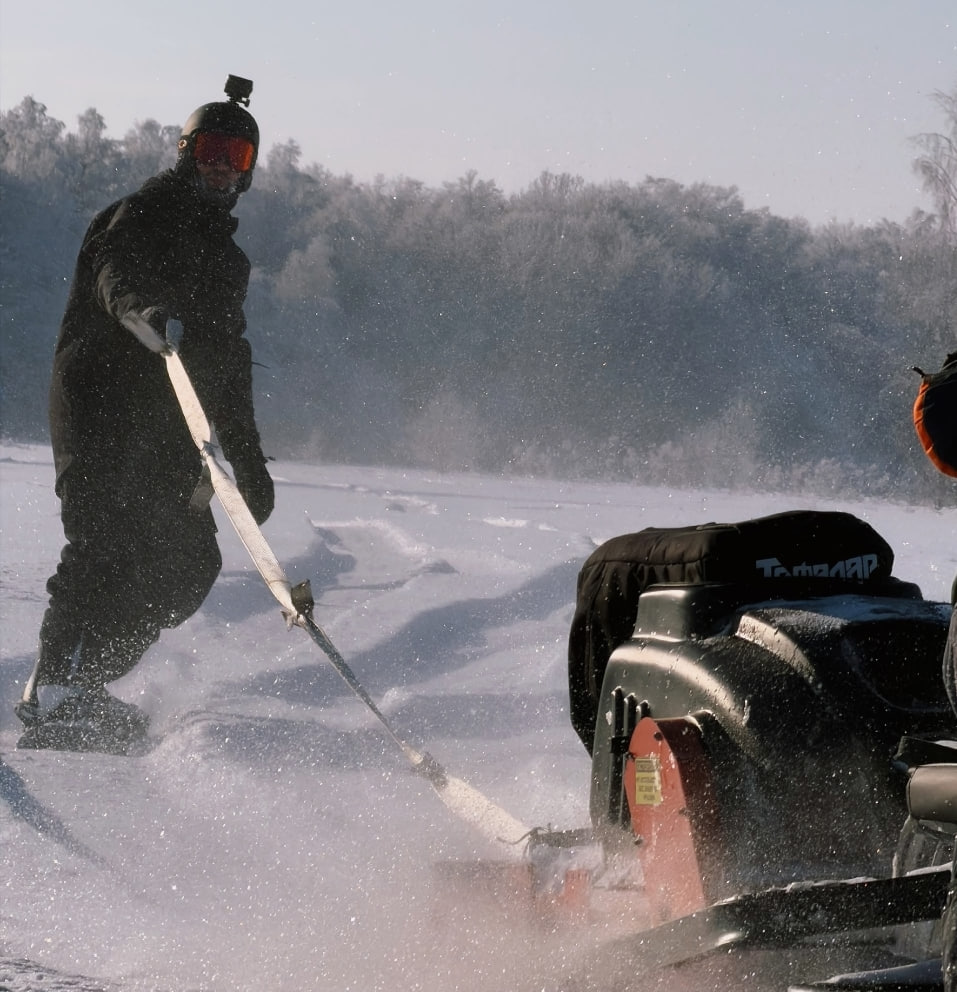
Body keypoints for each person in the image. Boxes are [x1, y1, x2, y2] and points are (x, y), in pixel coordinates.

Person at [15, 75, 274, 734]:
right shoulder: (136, 216)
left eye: (236, 156)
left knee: (188, 563)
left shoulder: (229, 262)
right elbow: (115, 278)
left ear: (248, 170)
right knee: (101, 540)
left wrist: (248, 460)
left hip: (165, 422)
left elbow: (228, 361)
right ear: (187, 152)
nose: (221, 167)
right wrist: (145, 313)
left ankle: (87, 682)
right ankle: (54, 691)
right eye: (211, 151)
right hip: (97, 403)